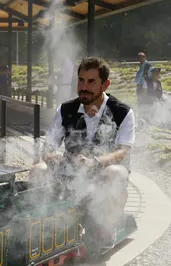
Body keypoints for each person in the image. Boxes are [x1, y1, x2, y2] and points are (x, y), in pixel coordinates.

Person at [29, 57, 135, 246]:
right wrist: (51, 155)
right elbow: (49, 144)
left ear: (105, 84)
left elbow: (122, 152)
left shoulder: (123, 112)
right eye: (81, 80)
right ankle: (43, 226)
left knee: (115, 172)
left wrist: (96, 161)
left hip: (102, 171)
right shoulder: (65, 109)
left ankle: (106, 228)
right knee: (39, 169)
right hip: (70, 171)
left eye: (91, 81)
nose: (84, 87)